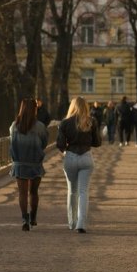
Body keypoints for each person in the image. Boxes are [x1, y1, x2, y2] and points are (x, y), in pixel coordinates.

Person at [57, 96, 101, 233]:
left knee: (72, 191)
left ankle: (72, 222)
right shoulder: (91, 121)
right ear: (86, 107)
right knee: (83, 192)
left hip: (70, 156)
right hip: (86, 157)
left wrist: (66, 150)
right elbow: (97, 142)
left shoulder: (65, 123)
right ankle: (81, 223)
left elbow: (60, 144)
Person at [9, 98, 48, 231]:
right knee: (34, 192)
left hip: (19, 163)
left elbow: (11, 142)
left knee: (22, 193)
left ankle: (24, 219)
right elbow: (44, 143)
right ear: (35, 110)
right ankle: (33, 217)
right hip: (35, 163)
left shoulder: (14, 126)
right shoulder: (40, 126)